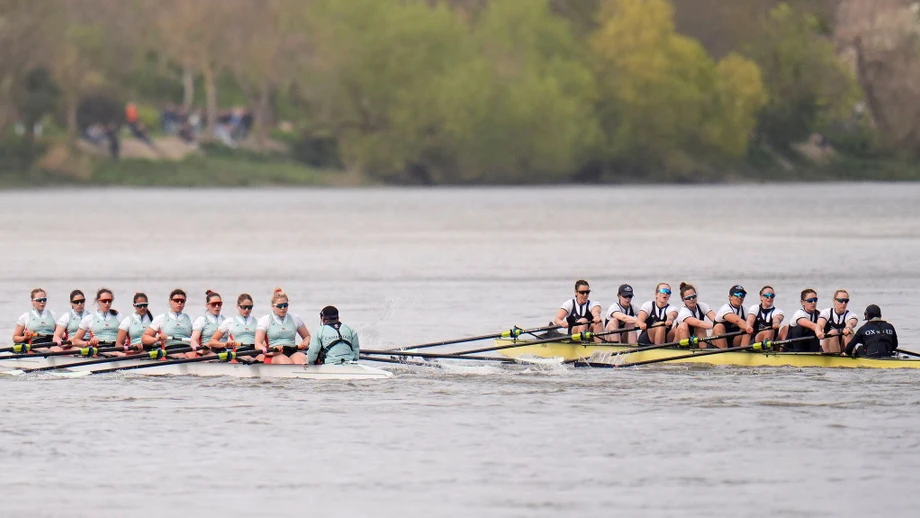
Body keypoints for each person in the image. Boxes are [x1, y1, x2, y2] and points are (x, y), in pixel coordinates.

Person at [254, 288, 311, 365]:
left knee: (301, 359)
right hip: (273, 353)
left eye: (285, 305)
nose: (283, 308)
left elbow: (307, 336)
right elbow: (257, 344)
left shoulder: (295, 318)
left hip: (292, 351)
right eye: (280, 306)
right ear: (273, 306)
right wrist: (266, 351)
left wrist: (305, 342)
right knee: (286, 362)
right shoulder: (265, 320)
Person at [816, 289, 859, 354]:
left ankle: (849, 356)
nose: (844, 303)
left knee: (850, 332)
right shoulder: (826, 312)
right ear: (834, 301)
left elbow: (851, 323)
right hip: (828, 347)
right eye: (841, 301)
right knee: (833, 332)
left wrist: (847, 328)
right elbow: (819, 325)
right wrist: (819, 332)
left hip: (843, 345)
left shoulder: (851, 314)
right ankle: (836, 356)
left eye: (846, 301)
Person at [711, 285, 753, 349]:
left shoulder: (745, 310)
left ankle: (744, 352)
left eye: (742, 295)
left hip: (734, 342)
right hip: (717, 343)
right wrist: (749, 328)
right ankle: (723, 352)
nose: (740, 297)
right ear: (730, 297)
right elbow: (737, 321)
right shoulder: (725, 309)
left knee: (745, 328)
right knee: (719, 327)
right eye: (737, 294)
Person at [189, 290, 226, 358]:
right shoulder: (202, 320)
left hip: (225, 351)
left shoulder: (226, 321)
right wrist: (200, 351)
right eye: (214, 304)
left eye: (219, 304)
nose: (217, 306)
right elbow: (194, 340)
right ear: (207, 305)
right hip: (207, 351)